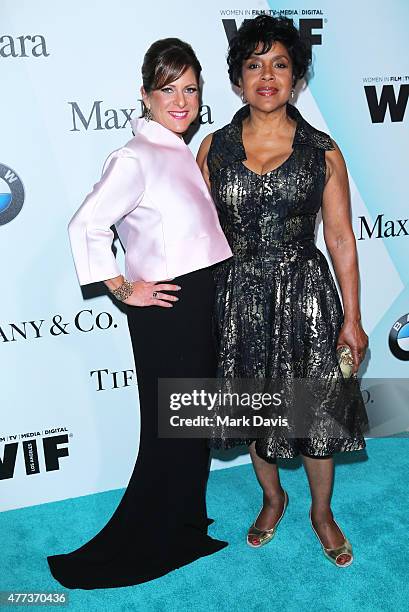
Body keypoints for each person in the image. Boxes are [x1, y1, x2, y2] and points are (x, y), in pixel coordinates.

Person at [47, 38, 232, 589]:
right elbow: (86, 225)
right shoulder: (136, 155)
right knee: (170, 430)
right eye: (168, 89)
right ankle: (151, 540)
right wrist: (124, 288)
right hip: (169, 308)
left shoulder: (179, 149)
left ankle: (182, 526)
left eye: (191, 89)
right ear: (145, 95)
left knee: (192, 422)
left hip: (201, 300)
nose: (181, 100)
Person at [197, 15, 368, 568]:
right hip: (237, 297)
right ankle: (273, 498)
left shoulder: (323, 149)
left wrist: (353, 319)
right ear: (238, 78)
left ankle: (322, 512)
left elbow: (340, 236)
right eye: (253, 65)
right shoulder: (213, 148)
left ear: (295, 79)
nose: (266, 76)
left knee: (314, 412)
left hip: (307, 296)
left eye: (279, 65)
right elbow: (193, 234)